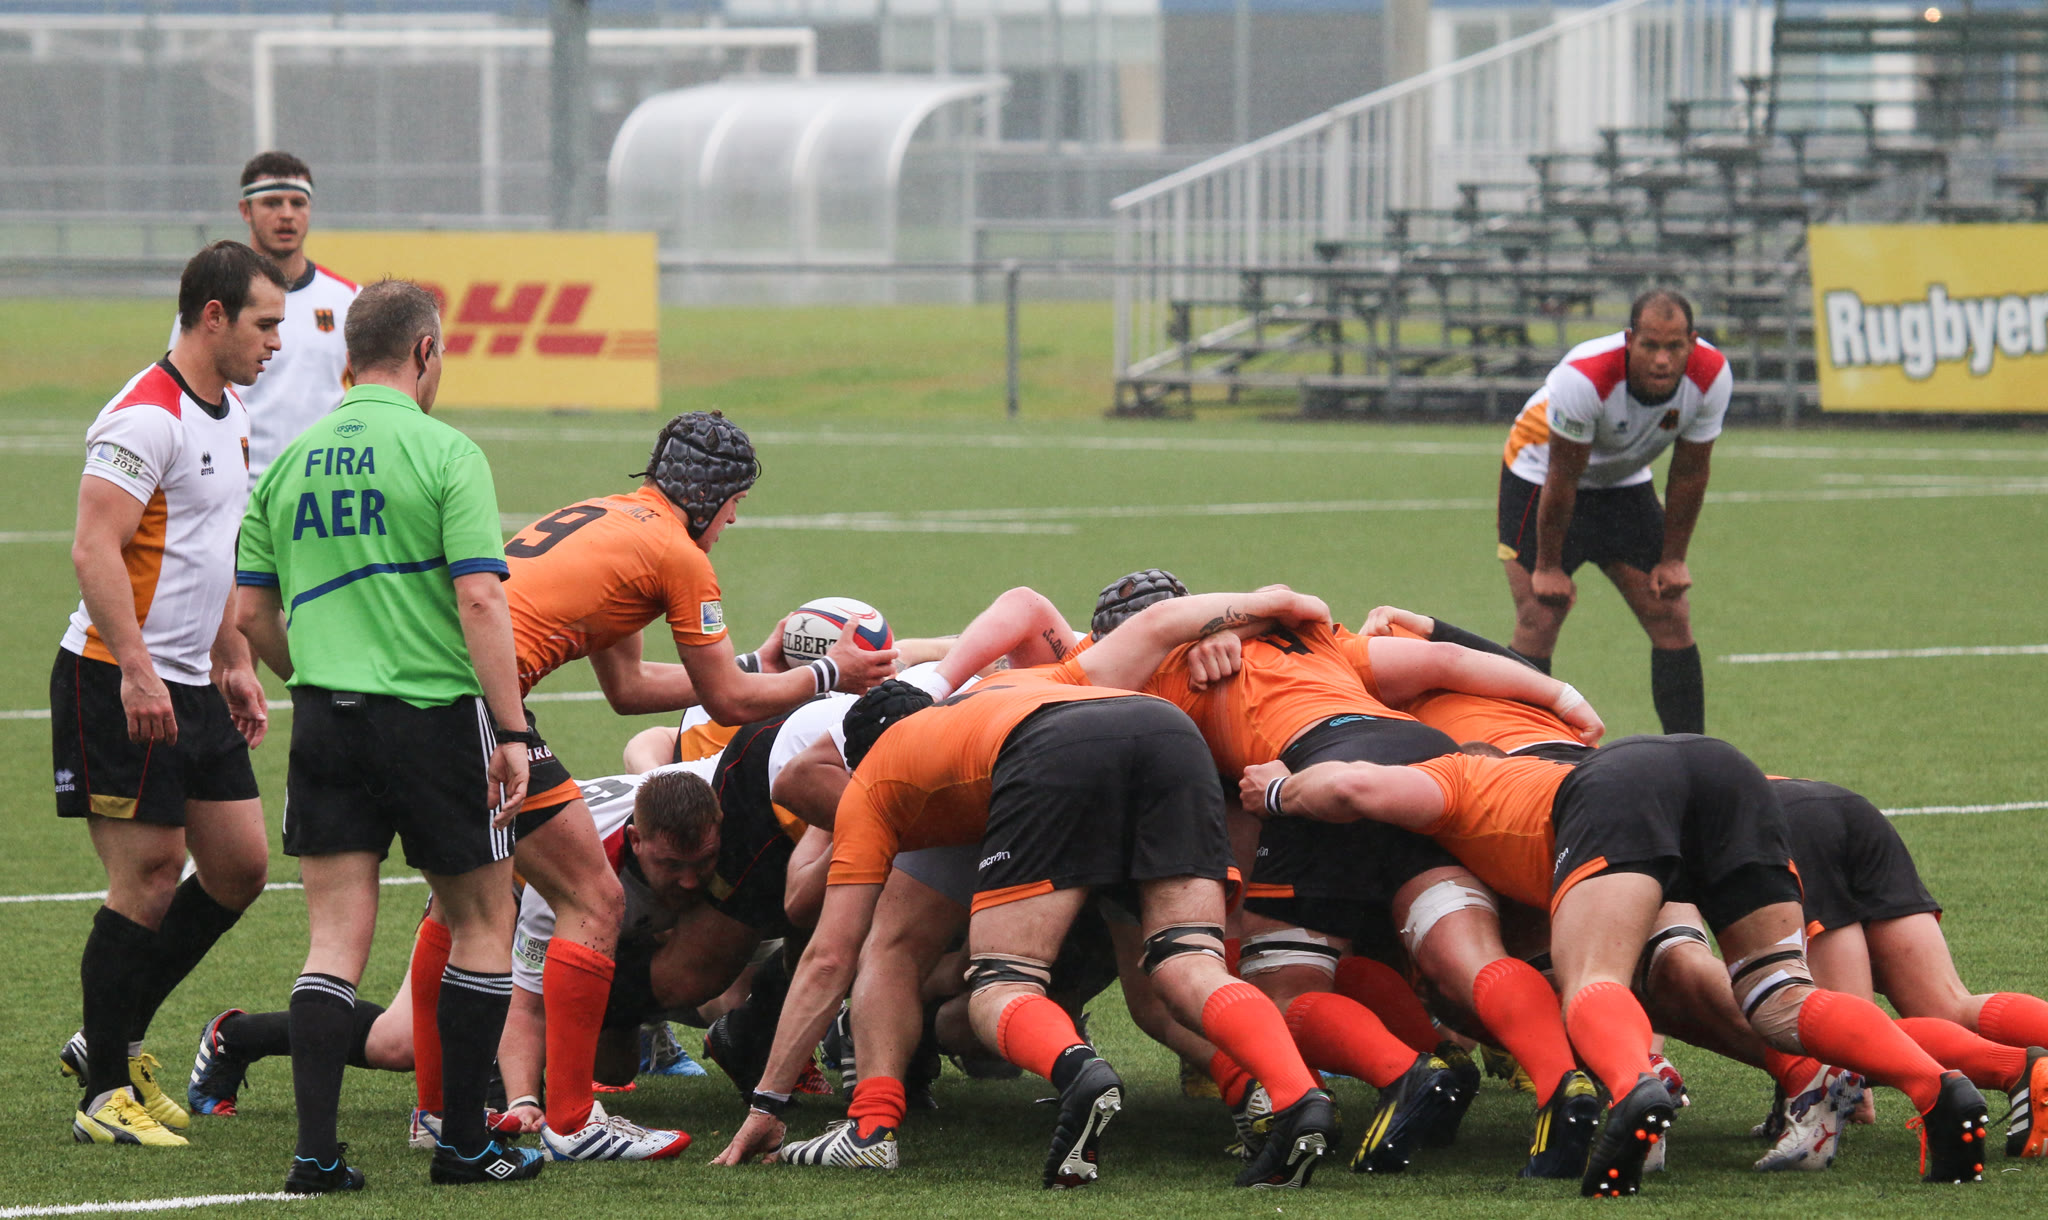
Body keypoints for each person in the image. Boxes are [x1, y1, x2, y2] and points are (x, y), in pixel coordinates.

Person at [713, 589, 1344, 1190]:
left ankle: (1018, 1089)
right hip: (1166, 734)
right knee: (1185, 962)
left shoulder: (872, 782)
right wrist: (1273, 604)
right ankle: (1296, 1096)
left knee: (998, 980)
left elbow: (828, 957)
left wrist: (768, 1102)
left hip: (1040, 761)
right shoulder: (1026, 676)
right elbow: (1155, 623)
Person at [399, 411, 894, 1165]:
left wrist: (758, 669)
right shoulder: (677, 554)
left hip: (417, 692)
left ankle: (435, 1112)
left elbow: (628, 688)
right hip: (470, 705)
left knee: (455, 900)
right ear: (710, 498)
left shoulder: (613, 518)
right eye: (734, 504)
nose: (732, 521)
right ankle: (572, 1120)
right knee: (593, 897)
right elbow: (726, 702)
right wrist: (829, 674)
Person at [1242, 736, 1992, 1196]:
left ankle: (1637, 1092)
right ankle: (1938, 1088)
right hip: (1729, 772)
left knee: (1592, 981)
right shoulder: (1534, 771)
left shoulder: (1459, 777)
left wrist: (1274, 789)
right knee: (1778, 991)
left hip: (1619, 794)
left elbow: (1354, 786)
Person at [236, 278, 539, 1192]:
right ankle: (463, 1146)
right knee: (483, 922)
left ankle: (315, 1156)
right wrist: (513, 730)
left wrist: (321, 675)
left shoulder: (290, 461)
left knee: (333, 945)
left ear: (346, 356)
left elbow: (250, 616)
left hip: (326, 723)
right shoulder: (447, 451)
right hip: (434, 720)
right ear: (424, 352)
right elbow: (480, 598)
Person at [53, 241, 284, 1149]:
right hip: (116, 678)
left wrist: (234, 659)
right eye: (264, 324)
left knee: (239, 868)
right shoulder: (145, 416)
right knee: (148, 875)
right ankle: (104, 1091)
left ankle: (104, 1037)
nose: (275, 343)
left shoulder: (232, 413)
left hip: (192, 680)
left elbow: (208, 548)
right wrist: (139, 670)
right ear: (214, 315)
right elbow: (93, 549)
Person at [1497, 289, 1728, 734]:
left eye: (1674, 347)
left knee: (1669, 612)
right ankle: (1528, 758)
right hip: (1539, 472)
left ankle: (1693, 756)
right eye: (1650, 345)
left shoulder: (1712, 375)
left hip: (1622, 479)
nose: (1662, 360)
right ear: (1629, 340)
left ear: (1692, 342)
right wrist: (1548, 566)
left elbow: (1689, 472)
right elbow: (1563, 477)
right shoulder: (1584, 377)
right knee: (1539, 616)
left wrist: (1673, 559)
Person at [171, 152, 356, 478]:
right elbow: (183, 395)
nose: (287, 215)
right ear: (246, 210)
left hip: (321, 494)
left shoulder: (350, 300)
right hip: (239, 492)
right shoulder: (212, 303)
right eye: (272, 203)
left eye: (298, 203)